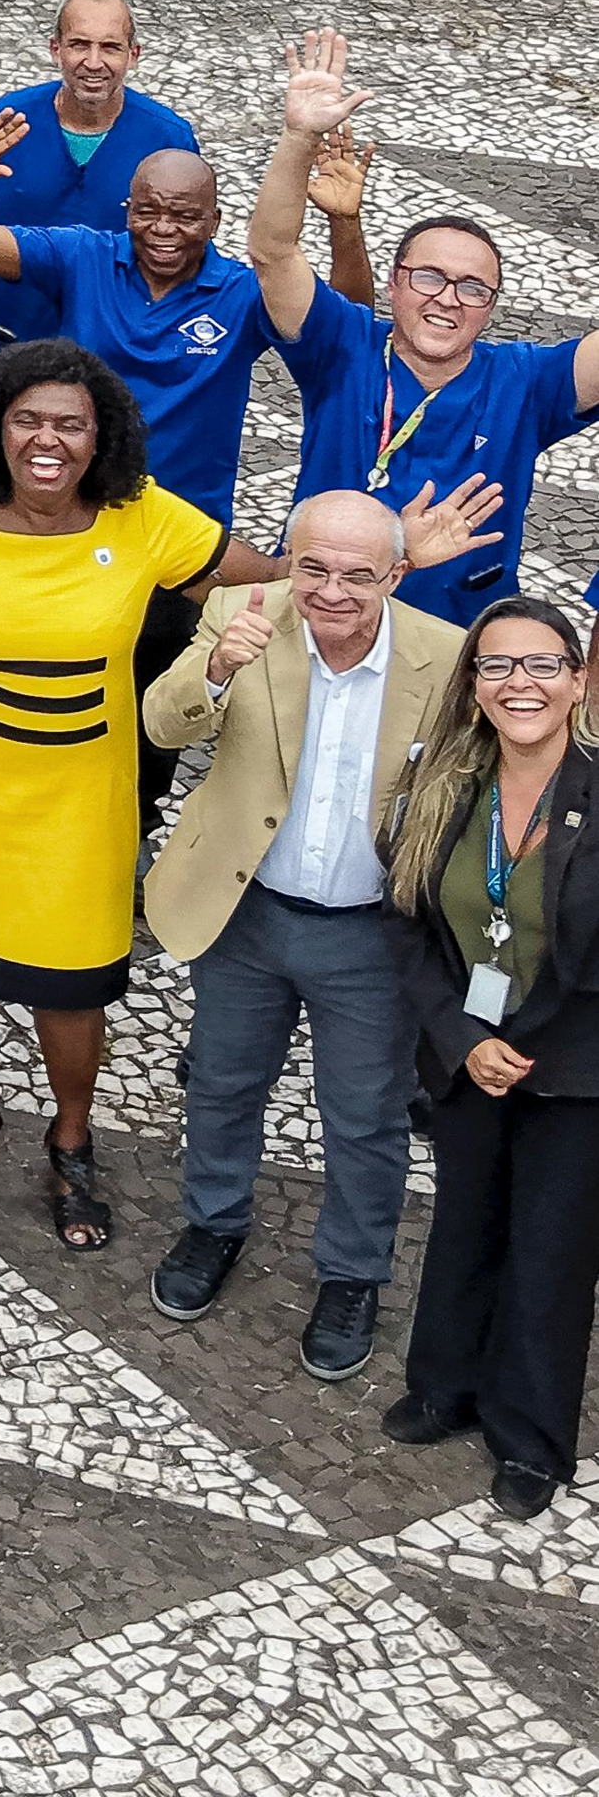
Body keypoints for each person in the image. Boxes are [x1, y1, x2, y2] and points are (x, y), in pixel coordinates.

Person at [0, 343, 280, 1251]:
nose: (47, 439)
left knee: (73, 987)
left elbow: (263, 578)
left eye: (71, 423)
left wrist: (377, 558)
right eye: (27, 418)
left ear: (100, 436)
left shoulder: (142, 517)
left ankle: (72, 1137)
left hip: (83, 800)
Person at [140, 492, 465, 1382]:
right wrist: (214, 671)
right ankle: (213, 1226)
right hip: (245, 911)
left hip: (371, 934)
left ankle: (353, 1275)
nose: (328, 591)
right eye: (311, 567)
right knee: (221, 1082)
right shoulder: (235, 614)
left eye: (357, 574)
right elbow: (161, 726)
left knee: (365, 1119)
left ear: (396, 576)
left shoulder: (443, 657)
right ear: (288, 558)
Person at [252, 28, 599, 622]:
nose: (448, 300)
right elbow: (274, 253)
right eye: (429, 277)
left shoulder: (523, 380)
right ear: (394, 283)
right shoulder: (345, 345)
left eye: (473, 288)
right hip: (317, 620)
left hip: (453, 645)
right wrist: (297, 138)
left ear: (491, 306)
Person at [384, 594, 599, 1516]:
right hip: (471, 1055)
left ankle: (531, 1438)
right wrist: (465, 1040)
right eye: (499, 666)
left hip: (580, 1068)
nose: (522, 683)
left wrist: (517, 1044)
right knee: (466, 1220)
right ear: (473, 687)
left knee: (552, 1251)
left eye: (543, 665)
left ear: (579, 680)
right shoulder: (442, 784)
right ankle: (445, 1386)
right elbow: (409, 929)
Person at [0, 122, 283, 523]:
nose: (163, 229)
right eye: (147, 212)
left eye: (185, 216)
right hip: (76, 514)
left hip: (183, 523)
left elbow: (340, 321)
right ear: (128, 210)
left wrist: (343, 222)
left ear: (214, 222)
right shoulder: (83, 256)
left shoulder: (242, 294)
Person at [0, 0, 201, 355]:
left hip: (116, 345)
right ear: (56, 49)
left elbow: (187, 248)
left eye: (111, 47)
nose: (94, 62)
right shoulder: (9, 121)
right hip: (5, 333)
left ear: (134, 55)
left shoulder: (168, 139)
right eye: (79, 45)